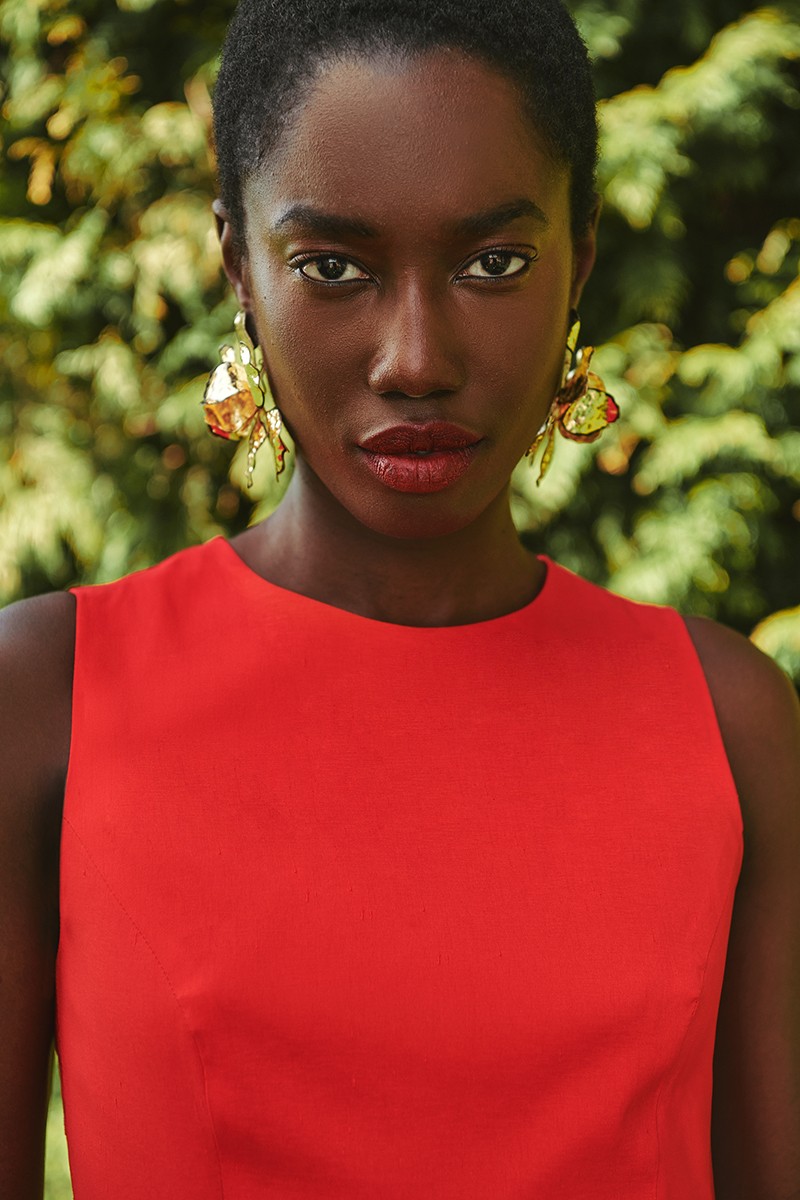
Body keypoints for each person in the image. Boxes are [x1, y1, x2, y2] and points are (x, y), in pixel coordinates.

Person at [1, 0, 798, 1196]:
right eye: (333, 267)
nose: (413, 357)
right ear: (240, 266)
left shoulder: (728, 720)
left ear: (580, 253)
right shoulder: (45, 700)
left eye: (492, 263)